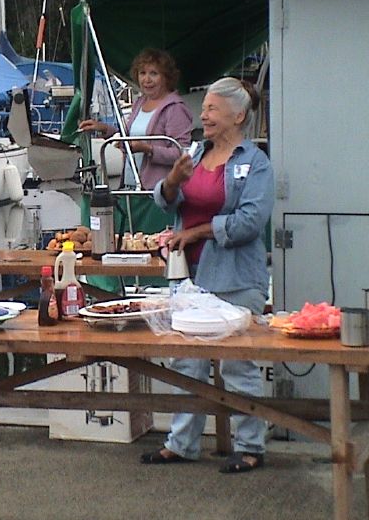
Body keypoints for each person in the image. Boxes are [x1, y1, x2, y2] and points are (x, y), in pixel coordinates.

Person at [140, 77, 274, 473]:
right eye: (204, 109)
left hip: (236, 278)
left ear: (238, 115)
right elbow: (167, 204)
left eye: (212, 109)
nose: (204, 115)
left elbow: (251, 221)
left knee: (237, 364)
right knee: (187, 361)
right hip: (190, 278)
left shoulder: (256, 163)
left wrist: (199, 231)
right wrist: (171, 183)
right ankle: (181, 443)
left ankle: (251, 446)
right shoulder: (196, 154)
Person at [78, 48, 192, 189]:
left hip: (158, 191)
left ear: (166, 77)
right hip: (130, 184)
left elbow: (182, 153)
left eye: (154, 74)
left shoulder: (175, 108)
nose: (147, 79)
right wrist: (104, 128)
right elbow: (128, 137)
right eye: (142, 73)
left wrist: (147, 149)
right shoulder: (140, 102)